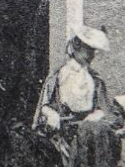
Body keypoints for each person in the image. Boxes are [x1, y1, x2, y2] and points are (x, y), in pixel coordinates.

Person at [33, 25, 114, 156]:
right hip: (61, 136)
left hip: (87, 136)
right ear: (77, 47)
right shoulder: (58, 76)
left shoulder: (95, 80)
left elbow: (103, 107)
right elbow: (44, 104)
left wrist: (96, 115)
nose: (91, 55)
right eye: (88, 49)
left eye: (93, 50)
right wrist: (51, 114)